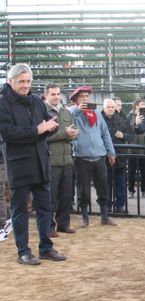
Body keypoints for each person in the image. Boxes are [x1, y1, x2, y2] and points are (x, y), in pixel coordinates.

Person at [0, 63, 67, 265]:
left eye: (28, 81)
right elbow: (7, 133)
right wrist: (37, 130)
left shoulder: (37, 101)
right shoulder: (3, 103)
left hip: (40, 162)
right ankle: (23, 251)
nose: (26, 85)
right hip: (18, 164)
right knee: (20, 210)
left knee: (45, 208)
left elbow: (48, 123)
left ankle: (46, 248)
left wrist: (52, 127)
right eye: (21, 81)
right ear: (10, 82)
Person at [70, 86, 117, 227]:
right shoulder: (72, 112)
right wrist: (78, 110)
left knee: (103, 188)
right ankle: (85, 218)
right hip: (81, 156)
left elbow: (105, 133)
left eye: (86, 96)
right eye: (82, 96)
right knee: (83, 190)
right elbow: (68, 120)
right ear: (76, 100)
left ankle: (104, 217)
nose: (85, 99)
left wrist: (111, 151)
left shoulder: (96, 113)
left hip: (99, 155)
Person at [44, 83, 79, 237]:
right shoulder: (42, 112)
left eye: (58, 94)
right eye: (53, 94)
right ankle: (48, 227)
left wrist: (73, 134)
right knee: (50, 197)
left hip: (67, 160)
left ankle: (63, 224)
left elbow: (73, 129)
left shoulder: (65, 112)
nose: (56, 97)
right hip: (50, 160)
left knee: (66, 196)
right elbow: (42, 137)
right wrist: (65, 133)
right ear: (46, 96)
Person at [102, 98, 133, 213]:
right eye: (108, 107)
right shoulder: (99, 120)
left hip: (120, 155)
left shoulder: (122, 119)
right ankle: (107, 205)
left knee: (120, 182)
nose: (110, 109)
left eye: (112, 107)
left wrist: (123, 136)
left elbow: (131, 134)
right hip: (104, 156)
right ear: (104, 108)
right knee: (106, 182)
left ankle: (120, 205)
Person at [127, 99, 145, 198]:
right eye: (141, 104)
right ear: (136, 105)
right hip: (133, 147)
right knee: (131, 171)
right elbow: (128, 129)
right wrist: (136, 122)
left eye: (144, 104)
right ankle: (131, 190)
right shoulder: (129, 116)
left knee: (144, 171)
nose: (143, 106)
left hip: (144, 147)